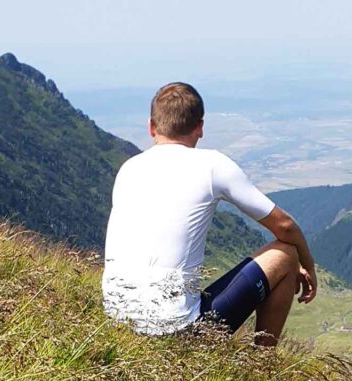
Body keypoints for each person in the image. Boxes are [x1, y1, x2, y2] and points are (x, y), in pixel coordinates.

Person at [102, 82, 317, 346]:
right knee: (286, 254)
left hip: (117, 326)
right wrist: (308, 265)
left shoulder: (128, 169)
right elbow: (285, 227)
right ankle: (262, 366)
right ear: (200, 127)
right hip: (181, 334)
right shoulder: (212, 165)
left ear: (151, 127)